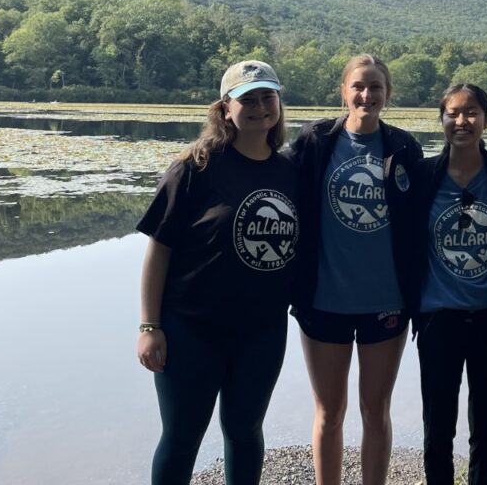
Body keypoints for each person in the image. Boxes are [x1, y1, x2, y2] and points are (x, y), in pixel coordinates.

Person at [136, 59, 301, 485]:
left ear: (279, 103)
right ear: (225, 108)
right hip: (191, 328)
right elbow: (159, 250)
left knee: (245, 431)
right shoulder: (195, 168)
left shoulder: (291, 173)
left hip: (262, 331)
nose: (260, 106)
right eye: (248, 98)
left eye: (268, 96)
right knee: (182, 435)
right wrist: (149, 325)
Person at [290, 53, 423, 485]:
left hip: (386, 301)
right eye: (358, 87)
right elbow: (272, 182)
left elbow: (434, 200)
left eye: (376, 87)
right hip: (323, 299)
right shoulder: (315, 141)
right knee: (330, 412)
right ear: (344, 91)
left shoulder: (404, 146)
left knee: (375, 411)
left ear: (388, 94)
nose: (366, 95)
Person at [407, 83, 487, 485]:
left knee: (486, 430)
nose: (462, 121)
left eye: (471, 112)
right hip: (439, 317)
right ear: (441, 120)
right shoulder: (422, 176)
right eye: (453, 112)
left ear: (486, 120)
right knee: (438, 429)